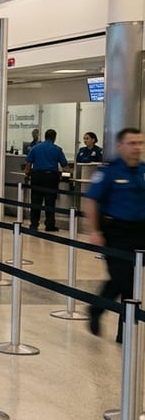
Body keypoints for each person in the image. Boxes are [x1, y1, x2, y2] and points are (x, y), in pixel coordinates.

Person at [83, 128, 145, 341]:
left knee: (132, 283)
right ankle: (96, 309)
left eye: (140, 143)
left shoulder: (143, 170)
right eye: (132, 143)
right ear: (120, 146)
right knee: (122, 279)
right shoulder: (108, 172)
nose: (137, 147)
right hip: (116, 232)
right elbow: (92, 200)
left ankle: (125, 333)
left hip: (140, 231)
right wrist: (95, 231)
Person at [23, 128, 67, 232]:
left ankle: (34, 225)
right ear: (54, 138)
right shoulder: (57, 149)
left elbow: (28, 164)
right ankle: (50, 225)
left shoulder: (35, 148)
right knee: (50, 202)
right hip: (51, 178)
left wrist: (27, 175)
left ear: (45, 137)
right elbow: (64, 166)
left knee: (35, 201)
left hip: (37, 177)